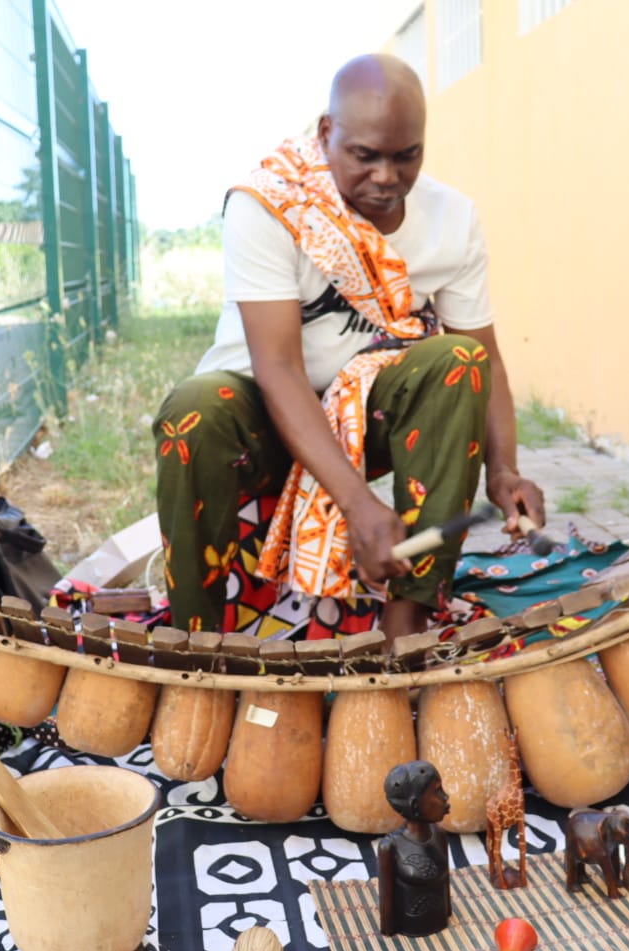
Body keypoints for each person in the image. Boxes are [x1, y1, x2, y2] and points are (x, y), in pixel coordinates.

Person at [154, 53, 545, 638]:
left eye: (405, 155)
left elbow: (482, 353)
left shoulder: (452, 219)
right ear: (326, 134)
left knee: (456, 361)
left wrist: (504, 469)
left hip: (376, 420)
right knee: (193, 410)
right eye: (365, 156)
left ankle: (405, 625)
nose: (387, 176)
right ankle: (197, 646)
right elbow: (279, 368)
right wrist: (360, 507)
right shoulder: (271, 206)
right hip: (263, 415)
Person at [378, 761, 452, 936]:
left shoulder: (439, 835)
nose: (445, 796)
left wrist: (448, 913)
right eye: (437, 791)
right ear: (414, 805)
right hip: (410, 928)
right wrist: (388, 930)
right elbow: (386, 898)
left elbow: (445, 885)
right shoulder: (390, 846)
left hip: (440, 924)